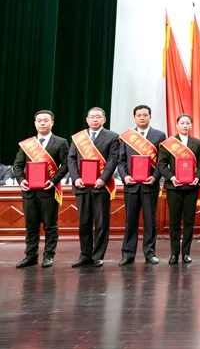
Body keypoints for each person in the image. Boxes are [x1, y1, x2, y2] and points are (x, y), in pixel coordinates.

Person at [12, 110, 69, 268]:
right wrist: (21, 180)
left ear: (52, 123)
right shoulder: (27, 144)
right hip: (29, 191)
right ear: (35, 123)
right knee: (31, 226)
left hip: (49, 190)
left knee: (50, 226)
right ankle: (31, 256)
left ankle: (49, 256)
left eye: (45, 120)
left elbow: (65, 165)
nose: (42, 123)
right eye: (39, 121)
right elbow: (17, 165)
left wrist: (54, 180)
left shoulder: (60, 142)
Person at [67, 107, 120, 267]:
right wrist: (75, 178)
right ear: (87, 119)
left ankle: (98, 255)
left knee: (101, 222)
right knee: (84, 222)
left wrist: (103, 179)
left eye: (98, 117)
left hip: (101, 186)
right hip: (81, 186)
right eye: (92, 117)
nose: (95, 120)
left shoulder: (112, 137)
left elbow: (113, 160)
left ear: (104, 120)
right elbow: (71, 159)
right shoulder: (79, 137)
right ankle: (85, 255)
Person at [117, 105, 167, 266]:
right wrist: (125, 177)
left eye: (145, 115)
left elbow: (162, 161)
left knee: (150, 221)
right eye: (139, 115)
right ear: (134, 117)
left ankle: (150, 252)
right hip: (131, 186)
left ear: (150, 117)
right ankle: (128, 254)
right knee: (130, 221)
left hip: (150, 185)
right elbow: (121, 161)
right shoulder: (126, 136)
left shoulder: (159, 135)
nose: (142, 118)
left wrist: (155, 177)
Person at [158, 114, 200, 264]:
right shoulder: (168, 143)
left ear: (191, 125)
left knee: (189, 221)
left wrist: (198, 177)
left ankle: (186, 253)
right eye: (182, 123)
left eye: (188, 123)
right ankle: (174, 253)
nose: (185, 126)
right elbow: (161, 164)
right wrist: (171, 177)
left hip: (191, 187)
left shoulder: (197, 143)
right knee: (174, 221)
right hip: (174, 187)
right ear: (177, 125)